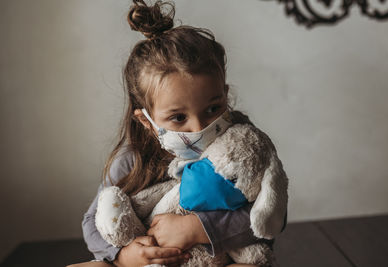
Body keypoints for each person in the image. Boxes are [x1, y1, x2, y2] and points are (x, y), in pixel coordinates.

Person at [68, 1, 287, 266]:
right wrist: (124, 256)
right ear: (147, 122)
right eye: (179, 118)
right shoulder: (131, 160)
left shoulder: (240, 148)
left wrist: (198, 229)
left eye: (213, 108)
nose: (199, 127)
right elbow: (91, 222)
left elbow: (272, 214)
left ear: (225, 96)